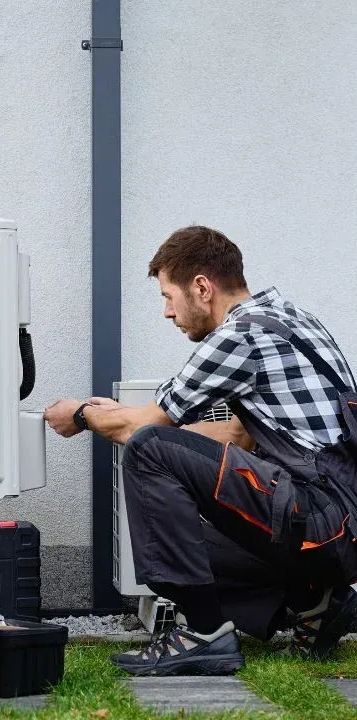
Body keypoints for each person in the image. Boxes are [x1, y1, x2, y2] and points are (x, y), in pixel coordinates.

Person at [45, 225, 357, 676]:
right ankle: (317, 603)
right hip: (339, 521)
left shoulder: (239, 337)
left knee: (149, 449)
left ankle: (205, 633)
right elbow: (237, 437)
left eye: (169, 296)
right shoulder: (290, 319)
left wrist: (80, 415)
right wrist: (138, 423)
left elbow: (144, 430)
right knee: (186, 536)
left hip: (322, 518)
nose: (167, 313)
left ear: (202, 288)